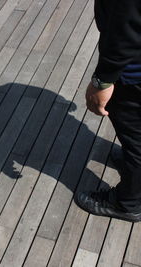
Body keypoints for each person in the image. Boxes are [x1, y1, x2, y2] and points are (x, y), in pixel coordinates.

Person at [76, 0, 141, 222]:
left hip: (134, 72)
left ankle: (129, 203)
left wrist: (102, 80)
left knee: (136, 138)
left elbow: (126, 27)